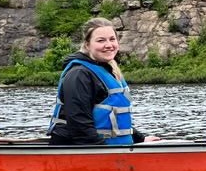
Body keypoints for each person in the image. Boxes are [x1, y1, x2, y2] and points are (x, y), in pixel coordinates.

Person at [47, 18, 159, 146]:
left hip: (107, 148)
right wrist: (106, 152)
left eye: (112, 39)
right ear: (87, 44)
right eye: (101, 40)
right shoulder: (79, 75)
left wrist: (140, 139)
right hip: (81, 150)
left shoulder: (107, 70)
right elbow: (80, 127)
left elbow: (113, 120)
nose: (109, 45)